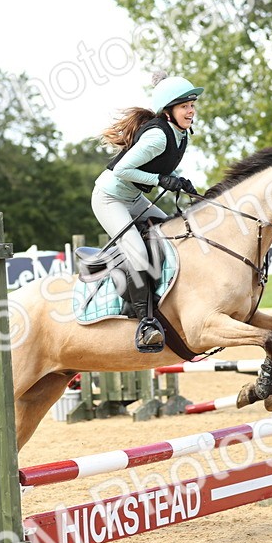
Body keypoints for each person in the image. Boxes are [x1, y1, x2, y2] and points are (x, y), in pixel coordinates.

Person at [93, 72, 201, 351]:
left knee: (175, 238)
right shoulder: (157, 136)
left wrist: (179, 179)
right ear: (169, 111)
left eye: (192, 104)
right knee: (139, 254)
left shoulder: (181, 134)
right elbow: (122, 169)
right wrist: (161, 181)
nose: (191, 110)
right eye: (185, 106)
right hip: (110, 199)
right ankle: (145, 323)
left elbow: (160, 165)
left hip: (134, 198)